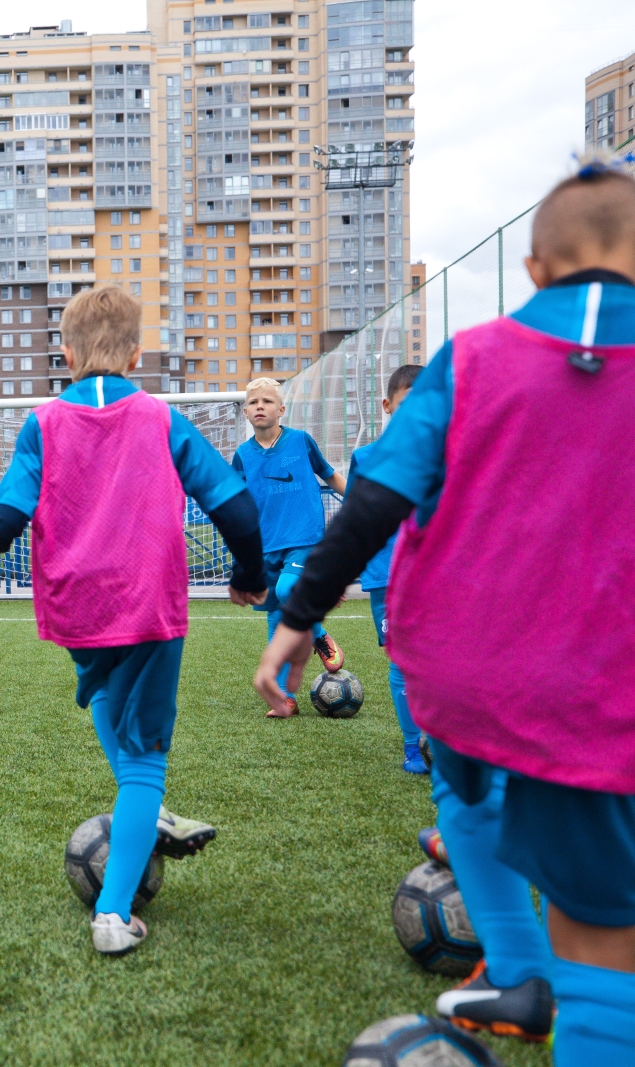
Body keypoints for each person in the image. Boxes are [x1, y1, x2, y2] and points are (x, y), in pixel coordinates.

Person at [256, 161, 635, 1060]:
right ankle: (541, 967)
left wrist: (298, 620)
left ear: (535, 270)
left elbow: (372, 504)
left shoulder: (471, 359)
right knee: (603, 934)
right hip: (607, 688)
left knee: (475, 799)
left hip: (485, 682)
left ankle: (525, 965)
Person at [0, 285, 267, 956]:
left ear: (67, 354)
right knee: (143, 761)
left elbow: (6, 518)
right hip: (148, 603)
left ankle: (145, 811)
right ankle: (111, 913)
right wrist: (250, 574)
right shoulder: (162, 420)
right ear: (136, 353)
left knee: (110, 699)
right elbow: (239, 511)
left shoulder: (42, 422)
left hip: (75, 606)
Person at [232, 379, 348, 717]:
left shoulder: (300, 441)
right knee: (275, 616)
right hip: (265, 546)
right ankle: (285, 697)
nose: (260, 406)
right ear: (245, 412)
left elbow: (330, 475)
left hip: (305, 538)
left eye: (268, 401)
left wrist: (362, 502)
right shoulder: (242, 455)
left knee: (288, 589)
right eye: (253, 402)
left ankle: (319, 635)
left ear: (281, 410)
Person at [346, 364, 428, 774]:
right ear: (387, 405)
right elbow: (357, 519)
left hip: (440, 575)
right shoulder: (366, 458)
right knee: (402, 663)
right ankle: (413, 746)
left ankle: (449, 741)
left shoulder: (452, 454)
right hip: (388, 578)